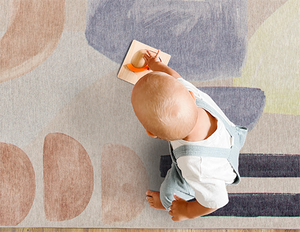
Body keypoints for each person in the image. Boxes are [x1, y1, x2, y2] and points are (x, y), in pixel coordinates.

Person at [131, 50, 247, 221]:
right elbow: (174, 77)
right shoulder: (192, 94)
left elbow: (217, 201)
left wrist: (188, 210)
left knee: (168, 194)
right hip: (231, 137)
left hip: (213, 168)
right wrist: (157, 65)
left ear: (152, 134)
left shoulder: (194, 166)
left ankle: (165, 203)